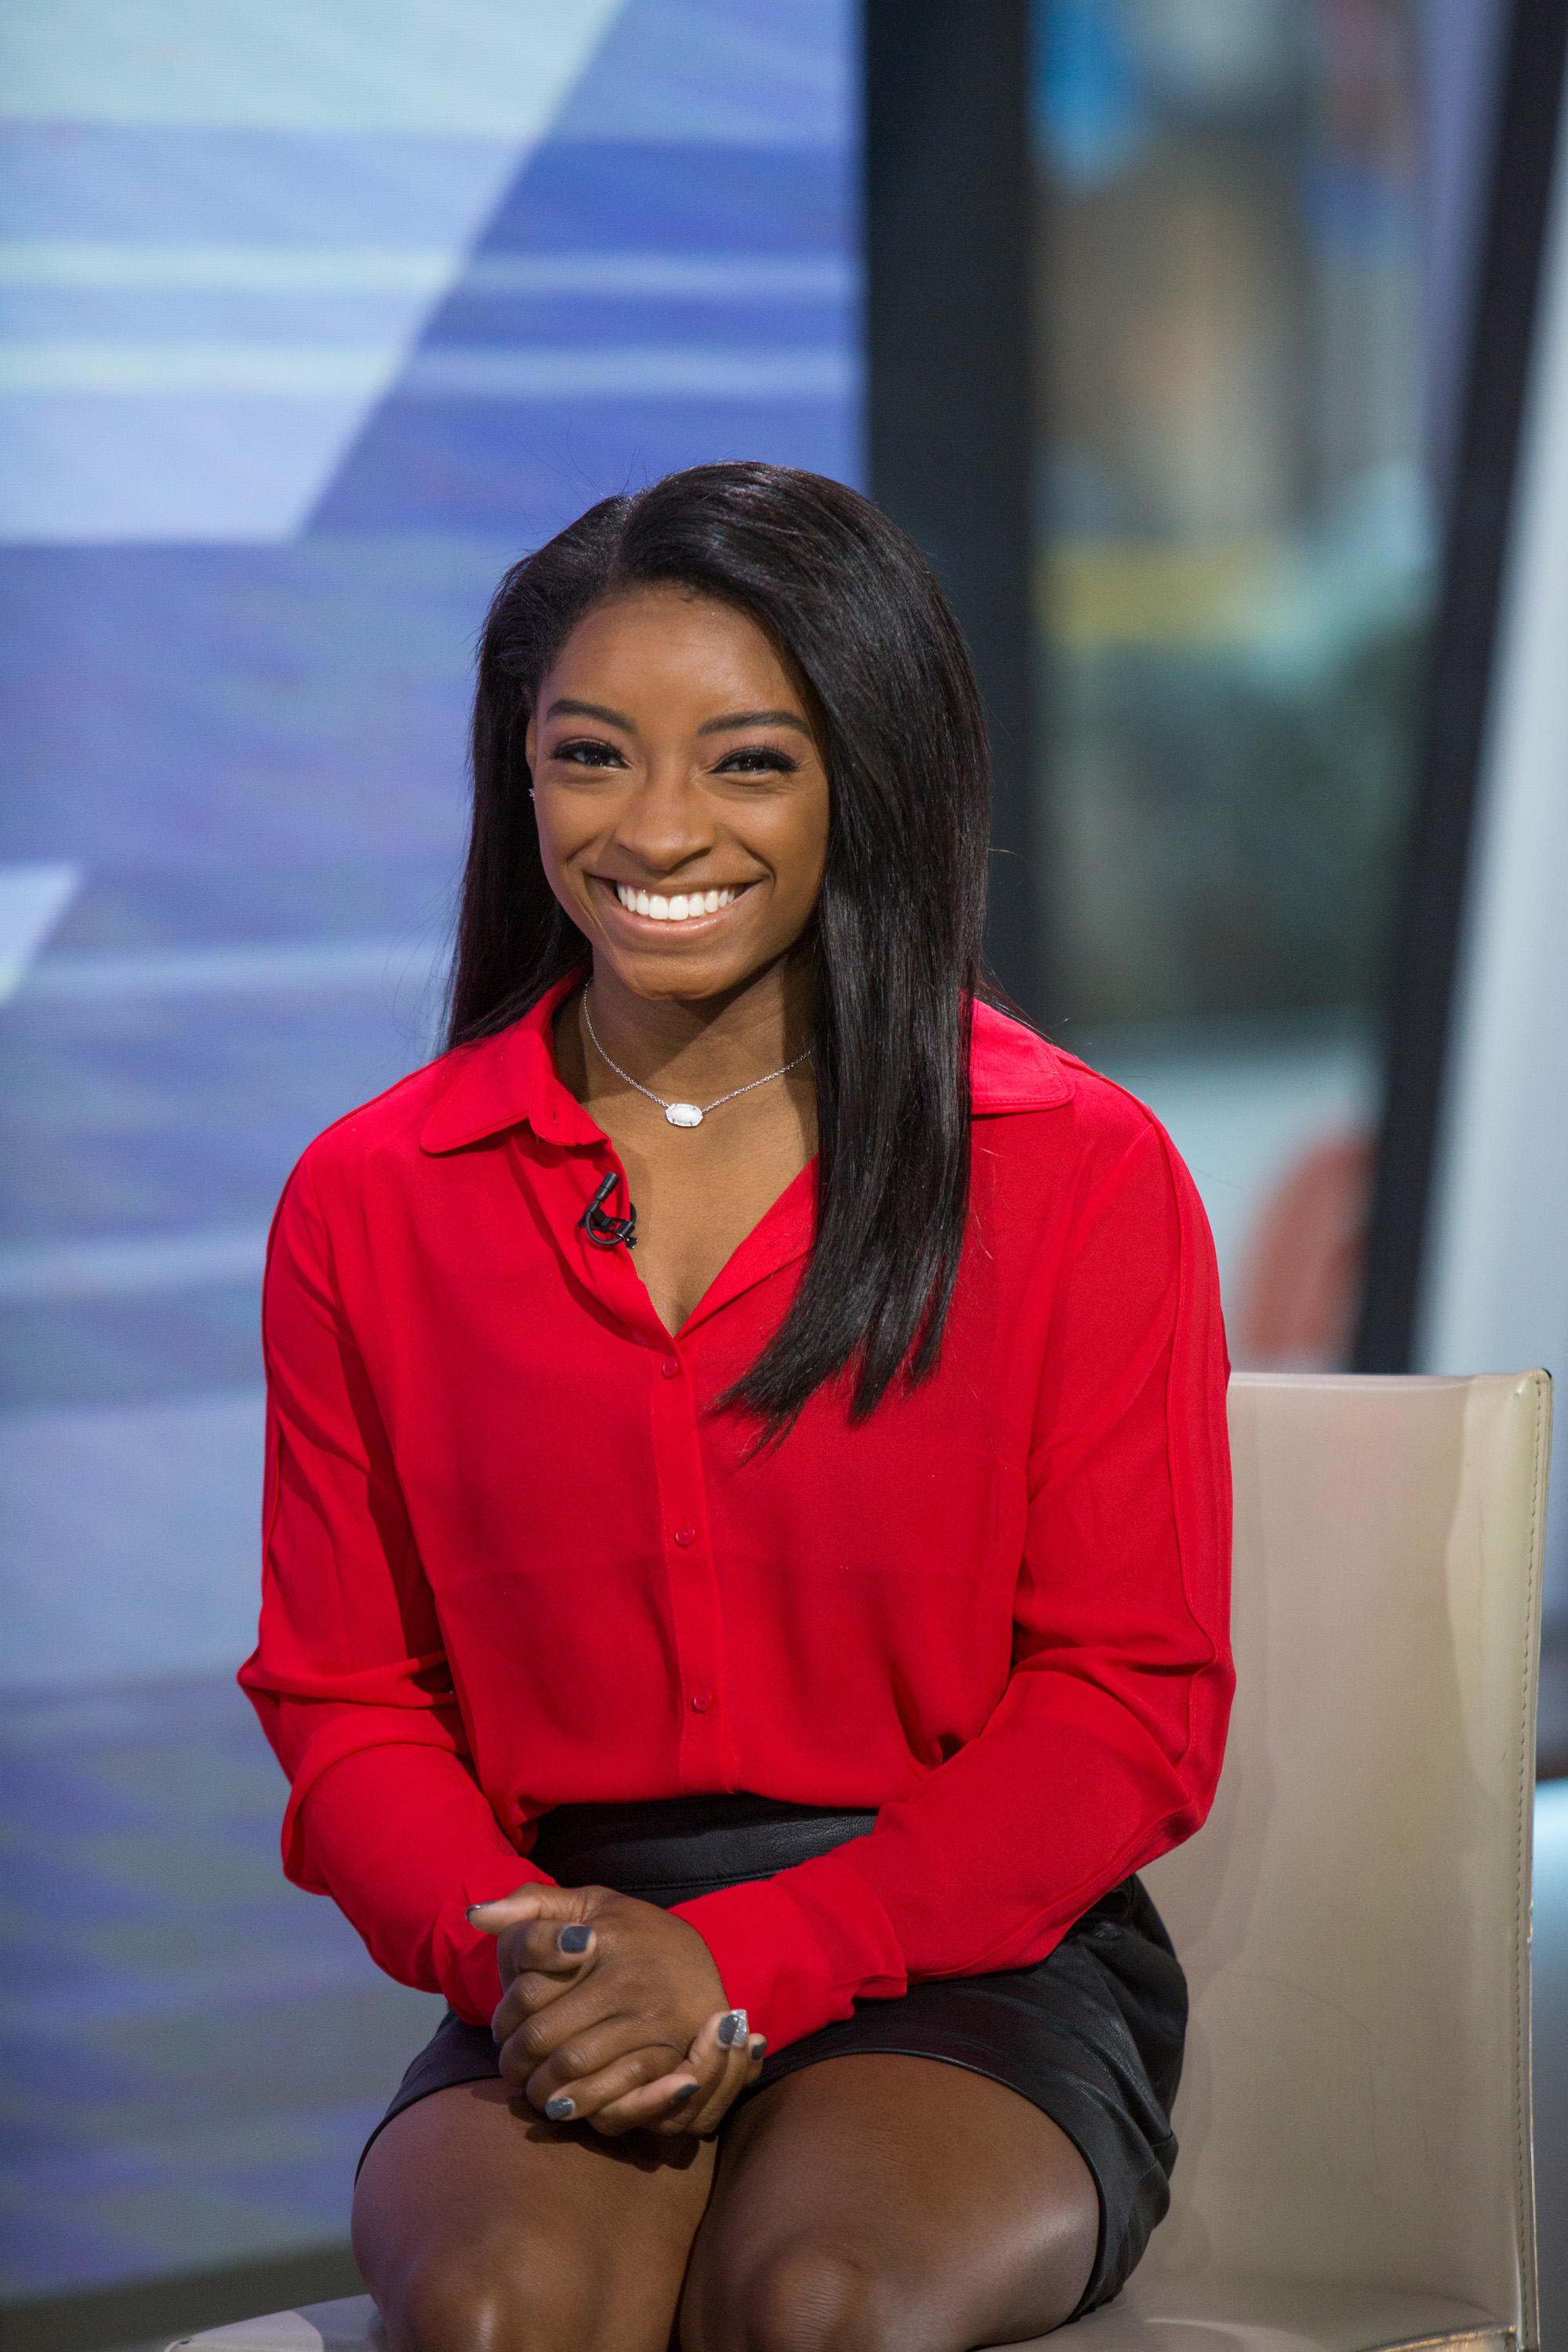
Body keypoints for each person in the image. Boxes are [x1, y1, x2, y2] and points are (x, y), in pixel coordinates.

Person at [241, 462, 1232, 2352]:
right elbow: (345, 1700)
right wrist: (535, 1956)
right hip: (566, 1952)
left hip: (964, 1957)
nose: (657, 829)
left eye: (749, 762)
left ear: (869, 773)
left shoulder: (1073, 1165)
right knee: (499, 2312)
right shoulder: (374, 1196)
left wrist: (753, 1956)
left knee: (818, 2303)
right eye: (590, 757)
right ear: (520, 775)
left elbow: (1131, 1701)